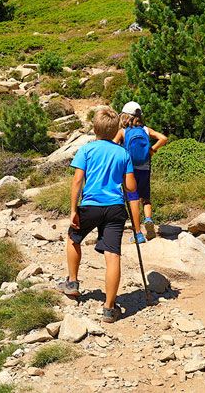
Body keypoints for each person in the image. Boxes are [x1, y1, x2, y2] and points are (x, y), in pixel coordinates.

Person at [58, 107, 144, 323]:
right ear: (116, 128)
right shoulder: (122, 153)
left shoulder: (86, 150)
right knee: (113, 255)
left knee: (73, 238)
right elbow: (131, 187)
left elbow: (77, 181)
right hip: (115, 208)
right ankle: (109, 308)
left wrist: (73, 210)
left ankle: (72, 283)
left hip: (91, 205)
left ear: (94, 128)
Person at [113, 101, 168, 240]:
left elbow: (112, 146)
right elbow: (163, 138)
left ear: (125, 117)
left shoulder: (123, 132)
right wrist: (151, 151)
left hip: (130, 171)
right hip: (145, 168)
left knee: (133, 200)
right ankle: (148, 219)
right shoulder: (145, 130)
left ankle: (138, 234)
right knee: (146, 198)